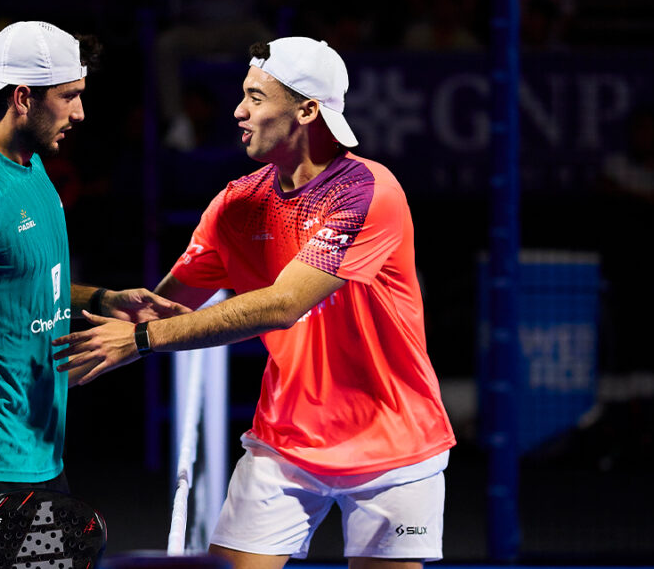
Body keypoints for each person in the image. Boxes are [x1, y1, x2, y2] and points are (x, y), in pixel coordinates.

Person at [53, 37, 456, 569]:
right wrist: (46, 295)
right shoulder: (237, 203)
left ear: (307, 110)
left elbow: (283, 304)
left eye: (256, 97)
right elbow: (159, 309)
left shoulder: (367, 191)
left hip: (394, 443)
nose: (238, 110)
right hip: (285, 443)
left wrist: (143, 340)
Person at [0, 21, 189, 568]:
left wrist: (99, 300)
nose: (80, 113)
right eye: (69, 97)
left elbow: (15, 280)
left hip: (38, 454)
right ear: (23, 98)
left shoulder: (32, 168)